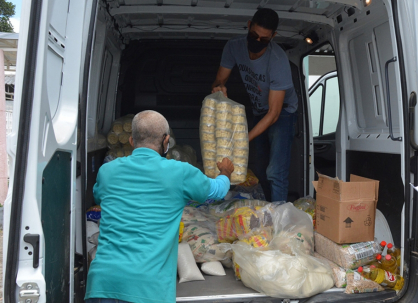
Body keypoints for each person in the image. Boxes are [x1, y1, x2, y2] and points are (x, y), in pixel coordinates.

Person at [85, 110, 233, 303]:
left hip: (102, 286)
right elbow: (217, 191)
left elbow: (99, 195)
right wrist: (225, 172)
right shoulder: (179, 172)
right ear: (167, 141)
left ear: (131, 141)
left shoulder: (107, 171)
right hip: (148, 289)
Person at [212, 8, 298, 202]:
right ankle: (267, 207)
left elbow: (274, 114)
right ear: (249, 25)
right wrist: (219, 90)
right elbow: (218, 82)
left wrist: (242, 139)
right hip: (260, 110)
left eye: (264, 40)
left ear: (273, 37)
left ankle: (279, 219)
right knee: (259, 168)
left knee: (275, 171)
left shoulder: (278, 60)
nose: (257, 42)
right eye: (254, 36)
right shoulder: (234, 47)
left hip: (283, 112)